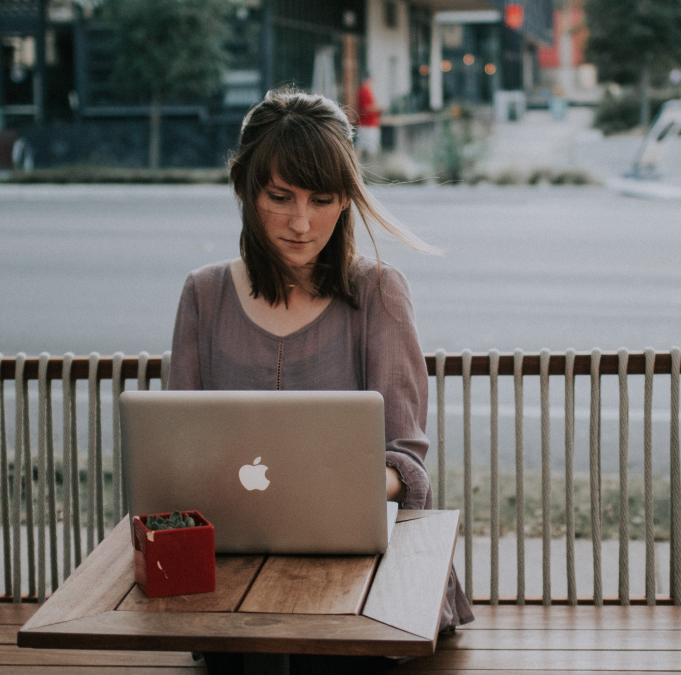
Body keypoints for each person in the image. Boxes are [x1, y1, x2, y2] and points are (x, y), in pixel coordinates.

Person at [169, 88, 473, 674]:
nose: (302, 223)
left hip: (362, 577)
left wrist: (322, 487)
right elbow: (176, 449)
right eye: (279, 197)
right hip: (233, 574)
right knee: (252, 656)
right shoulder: (204, 295)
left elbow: (406, 463)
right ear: (243, 187)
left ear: (346, 200)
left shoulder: (378, 292)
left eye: (323, 199)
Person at [356, 74, 382, 158]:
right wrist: (378, 108)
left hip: (369, 124)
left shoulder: (366, 90)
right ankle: (372, 166)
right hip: (367, 124)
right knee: (368, 147)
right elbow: (365, 108)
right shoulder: (364, 91)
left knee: (361, 146)